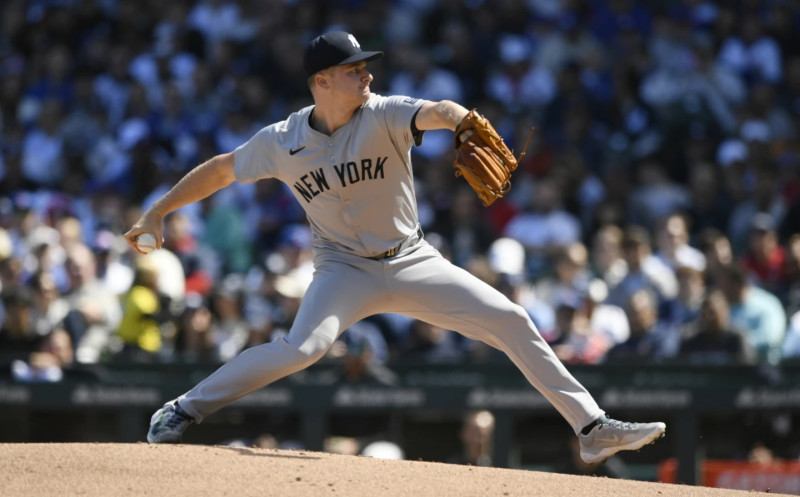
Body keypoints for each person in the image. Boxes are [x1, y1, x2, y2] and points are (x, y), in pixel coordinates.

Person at [125, 31, 665, 464]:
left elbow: (438, 110)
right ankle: (182, 409)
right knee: (302, 349)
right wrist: (159, 211)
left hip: (410, 259)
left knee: (510, 318)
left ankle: (591, 428)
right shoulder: (282, 140)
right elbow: (221, 170)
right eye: (355, 69)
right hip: (341, 269)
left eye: (366, 67)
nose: (368, 74)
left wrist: (458, 119)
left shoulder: (383, 112)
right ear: (322, 81)